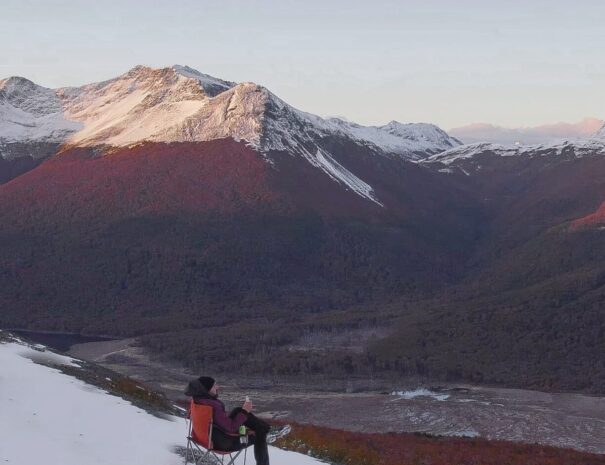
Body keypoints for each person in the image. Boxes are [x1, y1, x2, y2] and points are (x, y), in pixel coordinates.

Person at [185, 376, 290, 465]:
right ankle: (267, 432)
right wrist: (245, 411)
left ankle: (267, 430)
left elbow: (224, 423)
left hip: (206, 437)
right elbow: (231, 427)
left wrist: (242, 412)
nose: (218, 387)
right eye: (214, 385)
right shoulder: (213, 406)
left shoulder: (197, 400)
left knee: (237, 411)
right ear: (207, 389)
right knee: (259, 434)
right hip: (224, 443)